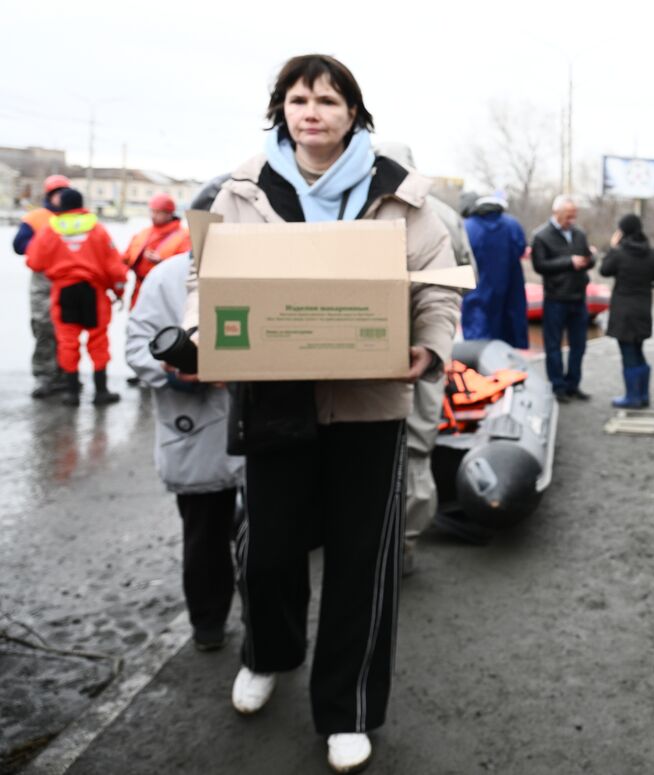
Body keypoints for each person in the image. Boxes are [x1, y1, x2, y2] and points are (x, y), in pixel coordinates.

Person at [183, 55, 459, 773]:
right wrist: (197, 333)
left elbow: (437, 290)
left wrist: (428, 349)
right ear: (281, 110)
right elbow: (203, 278)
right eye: (300, 99)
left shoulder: (401, 197)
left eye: (329, 100)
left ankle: (349, 710)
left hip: (370, 404)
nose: (313, 111)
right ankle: (269, 653)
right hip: (274, 396)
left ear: (353, 114)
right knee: (269, 551)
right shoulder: (239, 190)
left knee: (361, 564)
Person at [125, 176, 243, 651]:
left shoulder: (270, 277)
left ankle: (269, 636)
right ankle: (208, 624)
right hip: (197, 430)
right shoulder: (168, 277)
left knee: (269, 544)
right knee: (205, 538)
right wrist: (179, 373)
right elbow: (137, 347)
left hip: (262, 429)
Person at [377, 141, 476, 576]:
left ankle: (383, 545)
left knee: (381, 449)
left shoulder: (367, 208)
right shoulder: (447, 216)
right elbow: (465, 277)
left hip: (382, 349)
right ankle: (404, 545)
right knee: (417, 447)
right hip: (428, 346)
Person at [25, 187, 127, 406]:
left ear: (60, 206)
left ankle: (72, 393)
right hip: (93, 292)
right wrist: (118, 291)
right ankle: (101, 392)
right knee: (98, 341)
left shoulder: (49, 231)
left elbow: (34, 262)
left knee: (67, 342)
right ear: (82, 204)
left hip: (63, 292)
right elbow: (115, 268)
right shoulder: (98, 230)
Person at [598, 213, 654, 408]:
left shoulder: (619, 253)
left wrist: (612, 247)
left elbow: (604, 270)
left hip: (623, 313)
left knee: (628, 354)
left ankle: (632, 397)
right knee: (638, 351)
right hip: (643, 310)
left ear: (622, 232)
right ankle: (643, 395)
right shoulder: (653, 253)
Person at [531, 195, 595, 402]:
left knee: (579, 345)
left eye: (574, 216)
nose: (572, 220)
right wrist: (569, 262)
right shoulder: (541, 236)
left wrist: (588, 259)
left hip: (578, 296)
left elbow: (588, 259)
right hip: (556, 298)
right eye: (568, 216)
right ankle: (557, 386)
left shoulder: (579, 234)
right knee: (553, 345)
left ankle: (573, 384)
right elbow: (540, 266)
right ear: (556, 214)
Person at [13, 174, 72, 398]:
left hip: (69, 277)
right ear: (50, 196)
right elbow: (19, 245)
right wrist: (45, 245)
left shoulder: (76, 218)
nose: (61, 197)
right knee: (44, 326)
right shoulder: (36, 218)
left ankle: (67, 373)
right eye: (57, 193)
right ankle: (45, 375)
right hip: (44, 279)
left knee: (68, 328)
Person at [461, 190, 529, 349]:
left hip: (477, 293)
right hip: (509, 294)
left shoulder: (468, 227)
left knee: (477, 346)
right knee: (506, 347)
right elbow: (521, 248)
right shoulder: (513, 225)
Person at [123, 192, 191, 308]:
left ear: (169, 213)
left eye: (158, 212)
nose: (153, 215)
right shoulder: (144, 233)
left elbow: (187, 267)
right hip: (139, 291)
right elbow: (125, 258)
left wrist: (162, 262)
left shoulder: (184, 236)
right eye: (152, 211)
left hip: (164, 293)